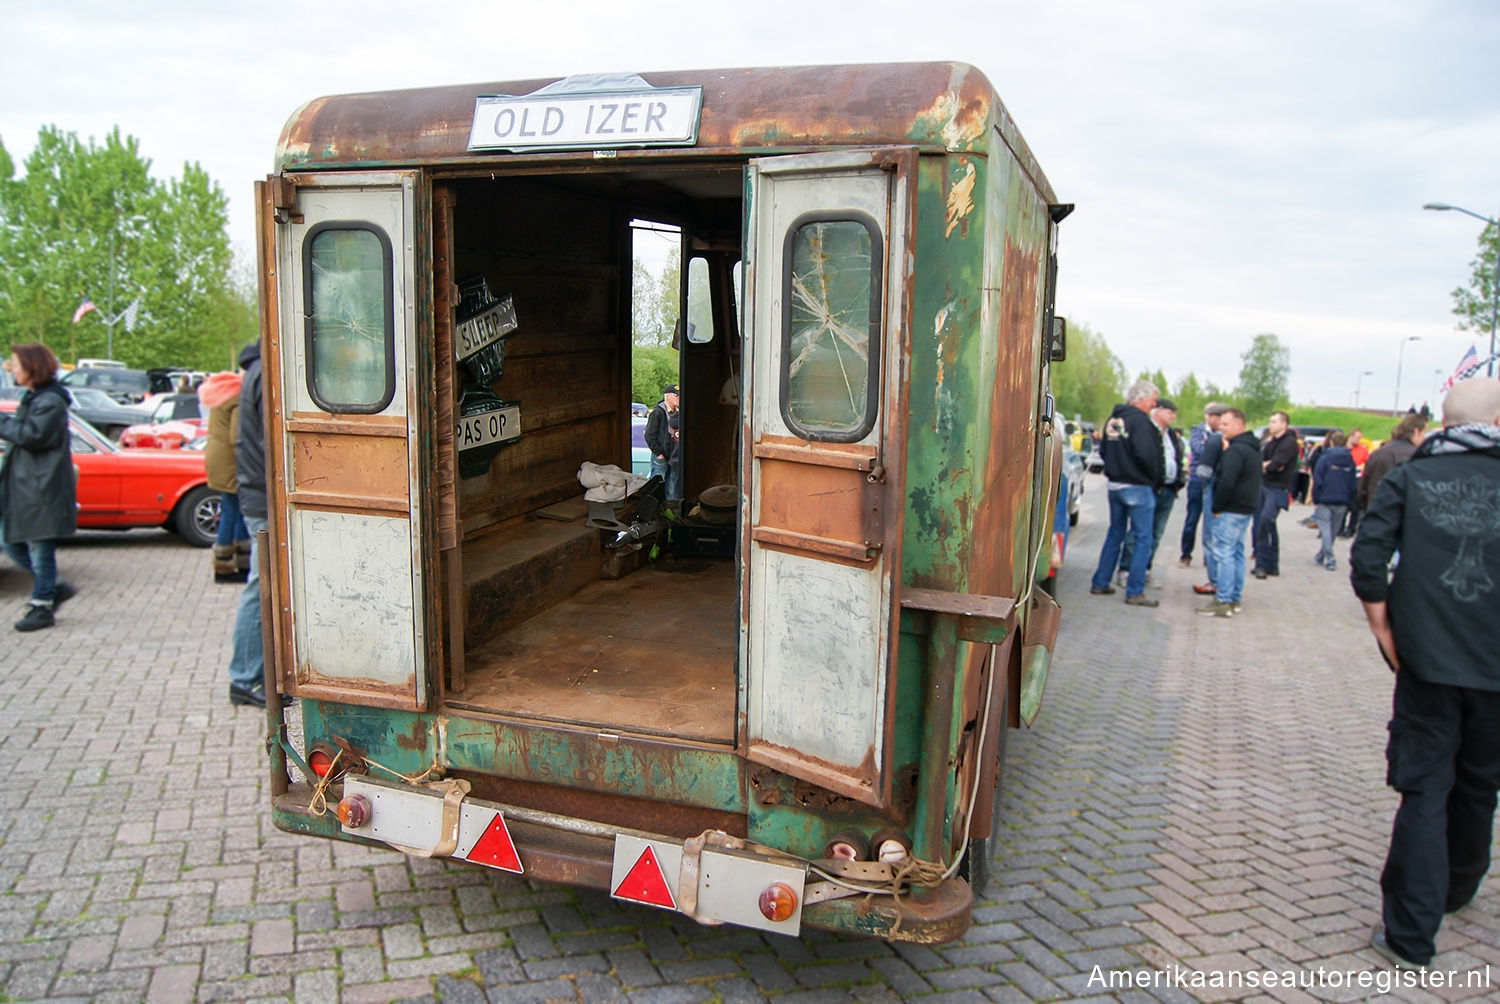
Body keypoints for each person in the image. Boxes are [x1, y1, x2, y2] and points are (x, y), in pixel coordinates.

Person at [1349, 377, 1500, 970]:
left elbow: (1369, 557)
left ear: (1444, 421)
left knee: (1425, 787)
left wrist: (1385, 630)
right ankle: (1457, 887)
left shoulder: (1415, 475)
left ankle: (1411, 932)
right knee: (1480, 783)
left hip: (1428, 660)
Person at [0, 343, 78, 631]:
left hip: (41, 487)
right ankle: (52, 588)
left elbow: (33, 436)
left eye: (16, 364)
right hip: (29, 485)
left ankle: (42, 603)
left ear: (32, 368)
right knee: (11, 541)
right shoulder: (35, 398)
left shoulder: (50, 402)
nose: (12, 369)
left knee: (38, 545)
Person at [1089, 380, 1162, 607]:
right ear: (1140, 399)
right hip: (1137, 487)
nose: (1154, 405)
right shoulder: (1140, 422)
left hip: (1114, 486)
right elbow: (1147, 455)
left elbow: (1103, 449)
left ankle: (1100, 582)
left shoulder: (1113, 420)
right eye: (1152, 401)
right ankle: (1135, 591)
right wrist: (1154, 478)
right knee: (1142, 539)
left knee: (1115, 533)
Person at [227, 342, 271, 707]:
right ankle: (244, 676)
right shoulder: (264, 372)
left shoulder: (254, 371)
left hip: (256, 493)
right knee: (260, 587)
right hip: (263, 497)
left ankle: (254, 673)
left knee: (264, 586)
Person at [1198, 408, 1260, 618]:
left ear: (1239, 425)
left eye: (1225, 424)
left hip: (1230, 509)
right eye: (1220, 424)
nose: (1221, 428)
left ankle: (1223, 600)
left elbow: (1227, 481)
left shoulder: (1235, 451)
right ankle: (1234, 597)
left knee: (1224, 553)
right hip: (1245, 509)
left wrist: (1217, 506)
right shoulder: (1252, 449)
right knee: (1236, 553)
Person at [1118, 398, 1185, 584]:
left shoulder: (1171, 435)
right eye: (1169, 412)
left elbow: (1176, 457)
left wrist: (1179, 480)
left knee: (1156, 533)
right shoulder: (1146, 430)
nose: (1173, 416)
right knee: (1138, 533)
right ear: (1157, 411)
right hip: (1149, 488)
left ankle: (1144, 569)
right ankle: (1125, 569)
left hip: (1169, 490)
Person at [198, 369, 250, 582]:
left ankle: (234, 564)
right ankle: (226, 566)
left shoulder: (221, 394)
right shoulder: (237, 396)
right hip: (230, 461)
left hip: (217, 458)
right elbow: (236, 436)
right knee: (232, 511)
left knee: (233, 509)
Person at [1179, 402, 1226, 568]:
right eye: (1219, 417)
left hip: (1216, 482)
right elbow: (1199, 449)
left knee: (1212, 522)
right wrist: (1216, 447)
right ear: (1210, 416)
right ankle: (1185, 554)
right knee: (1192, 519)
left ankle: (1209, 557)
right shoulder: (1197, 431)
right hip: (1198, 481)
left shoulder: (1223, 433)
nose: (1221, 422)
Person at [1252, 411, 1298, 579]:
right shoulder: (1270, 442)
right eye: (1270, 421)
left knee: (1266, 521)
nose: (1270, 424)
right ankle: (1265, 563)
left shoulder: (1289, 443)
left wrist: (1267, 465)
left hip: (1278, 488)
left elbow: (1277, 465)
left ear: (1283, 424)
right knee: (1261, 524)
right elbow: (1261, 462)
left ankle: (1266, 563)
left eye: (1274, 422)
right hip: (1263, 485)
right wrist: (1265, 465)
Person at [1356, 414, 1426, 522]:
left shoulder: (1377, 454)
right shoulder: (1418, 456)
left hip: (1375, 515)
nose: (1424, 439)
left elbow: (1363, 488)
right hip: (1405, 520)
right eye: (1424, 433)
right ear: (1416, 431)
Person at [1310, 432, 1356, 570]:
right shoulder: (1350, 460)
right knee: (1333, 530)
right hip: (1343, 500)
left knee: (1325, 528)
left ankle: (1330, 557)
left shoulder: (1325, 458)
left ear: (1331, 443)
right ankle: (1321, 555)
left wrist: (1315, 497)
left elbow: (1318, 479)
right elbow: (1352, 482)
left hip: (1325, 498)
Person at [1338, 429, 1371, 538]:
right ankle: (1340, 528)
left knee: (1354, 507)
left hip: (1357, 479)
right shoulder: (1344, 449)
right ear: (1351, 436)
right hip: (1343, 479)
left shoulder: (1362, 450)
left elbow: (1366, 463)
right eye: (1357, 437)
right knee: (1343, 506)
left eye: (1360, 437)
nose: (1358, 440)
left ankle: (1351, 529)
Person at [645, 384, 679, 487]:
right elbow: (649, 435)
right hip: (661, 457)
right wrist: (659, 454)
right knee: (656, 486)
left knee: (671, 487)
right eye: (676, 396)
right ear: (667, 396)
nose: (679, 398)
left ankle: (668, 503)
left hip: (672, 457)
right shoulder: (658, 412)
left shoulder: (677, 413)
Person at [666, 410, 682, 500]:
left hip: (674, 461)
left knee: (674, 492)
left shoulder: (672, 423)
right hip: (682, 461)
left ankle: (674, 510)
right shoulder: (685, 421)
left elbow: (666, 442)